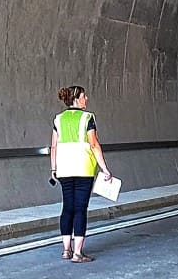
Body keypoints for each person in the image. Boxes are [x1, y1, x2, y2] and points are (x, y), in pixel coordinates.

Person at [50, 85, 110, 263]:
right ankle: (78, 253)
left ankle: (66, 250)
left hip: (64, 169)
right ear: (77, 98)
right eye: (84, 96)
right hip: (83, 169)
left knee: (68, 207)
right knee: (80, 209)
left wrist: (53, 169)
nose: (87, 99)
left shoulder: (58, 119)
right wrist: (104, 168)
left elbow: (54, 146)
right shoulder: (87, 118)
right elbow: (94, 144)